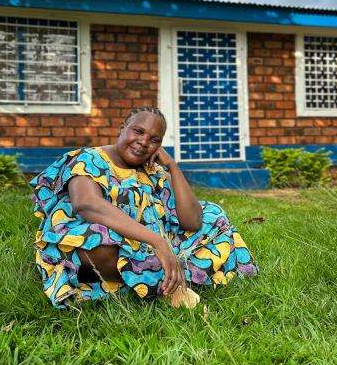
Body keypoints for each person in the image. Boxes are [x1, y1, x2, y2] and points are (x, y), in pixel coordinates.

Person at [30, 107, 258, 308]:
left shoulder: (152, 171)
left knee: (213, 214)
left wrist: (172, 166)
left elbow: (192, 221)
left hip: (144, 245)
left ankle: (156, 276)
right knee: (99, 243)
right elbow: (87, 204)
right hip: (102, 239)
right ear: (122, 128)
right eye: (138, 131)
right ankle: (171, 280)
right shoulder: (88, 158)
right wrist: (157, 242)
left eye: (154, 140)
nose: (144, 142)